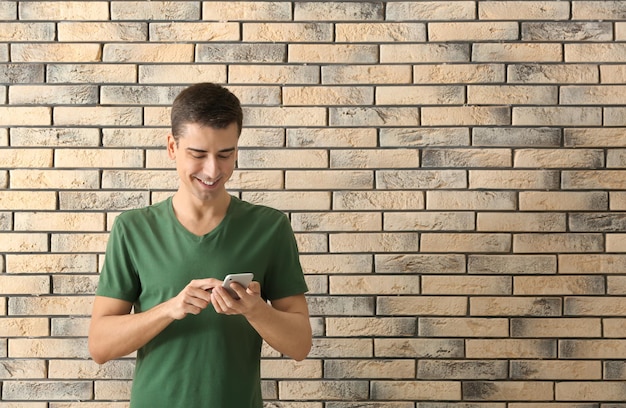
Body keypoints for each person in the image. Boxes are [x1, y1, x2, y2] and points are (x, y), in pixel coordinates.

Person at [88, 83, 312, 407]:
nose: (212, 170)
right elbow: (100, 346)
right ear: (171, 147)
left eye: (225, 155)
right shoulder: (133, 229)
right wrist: (170, 308)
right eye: (198, 154)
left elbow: (300, 345)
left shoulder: (270, 227)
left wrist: (255, 310)